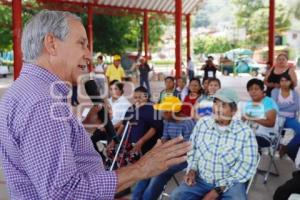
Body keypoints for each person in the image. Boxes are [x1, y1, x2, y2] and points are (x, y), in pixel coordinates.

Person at [0, 10, 191, 199]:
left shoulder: (24, 90)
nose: (89, 55)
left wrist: (85, 128)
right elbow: (65, 194)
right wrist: (142, 168)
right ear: (51, 44)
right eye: (81, 44)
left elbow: (44, 156)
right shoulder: (42, 103)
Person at [171, 88, 258, 200]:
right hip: (201, 179)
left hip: (231, 184)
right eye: (215, 103)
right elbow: (192, 149)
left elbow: (246, 166)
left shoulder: (245, 133)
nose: (217, 109)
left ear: (234, 111)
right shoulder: (202, 124)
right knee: (176, 196)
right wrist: (192, 170)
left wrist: (217, 190)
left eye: (223, 105)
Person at [132, 96, 195, 200]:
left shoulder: (187, 123)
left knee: (157, 174)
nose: (161, 113)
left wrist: (167, 155)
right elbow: (164, 139)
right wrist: (155, 154)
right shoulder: (167, 121)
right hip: (170, 154)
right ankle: (136, 198)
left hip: (184, 158)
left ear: (171, 112)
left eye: (164, 111)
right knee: (145, 169)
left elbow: (189, 148)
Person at [107, 86, 163, 167]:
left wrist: (141, 142)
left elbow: (154, 128)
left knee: (131, 157)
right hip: (127, 142)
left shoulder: (152, 108)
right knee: (111, 151)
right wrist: (114, 140)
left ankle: (126, 173)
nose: (137, 100)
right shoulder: (132, 108)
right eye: (135, 97)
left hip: (143, 144)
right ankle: (115, 173)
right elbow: (123, 125)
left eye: (140, 97)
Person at [271, 74, 300, 159]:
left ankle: (286, 147)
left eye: (286, 81)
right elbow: (274, 105)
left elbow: (297, 107)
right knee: (272, 132)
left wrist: (280, 106)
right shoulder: (275, 91)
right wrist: (290, 104)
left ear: (290, 82)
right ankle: (275, 146)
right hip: (276, 118)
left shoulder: (294, 93)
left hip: (290, 119)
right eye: (281, 81)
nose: (283, 83)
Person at [243, 78, 278, 147]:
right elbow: (244, 119)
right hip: (250, 133)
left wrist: (253, 118)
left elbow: (271, 123)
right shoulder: (249, 103)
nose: (253, 91)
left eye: (256, 89)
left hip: (265, 136)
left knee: (245, 142)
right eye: (250, 89)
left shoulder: (268, 102)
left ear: (262, 90)